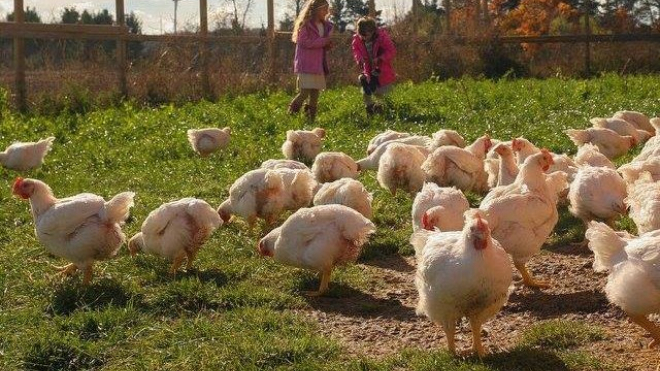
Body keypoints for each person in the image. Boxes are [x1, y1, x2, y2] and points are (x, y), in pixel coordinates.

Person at [287, 0, 334, 123]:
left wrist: (327, 45)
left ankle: (310, 119)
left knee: (315, 93)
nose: (326, 12)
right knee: (304, 92)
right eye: (324, 9)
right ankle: (291, 114)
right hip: (306, 64)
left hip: (318, 65)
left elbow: (320, 43)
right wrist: (323, 42)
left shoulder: (325, 26)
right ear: (316, 9)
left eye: (327, 9)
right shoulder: (306, 25)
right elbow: (304, 42)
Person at [351, 16, 396, 116]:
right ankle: (369, 108)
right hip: (368, 70)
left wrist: (380, 58)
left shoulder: (382, 38)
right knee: (366, 90)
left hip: (382, 70)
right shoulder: (357, 40)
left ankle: (381, 109)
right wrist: (360, 59)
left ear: (372, 31)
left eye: (366, 35)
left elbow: (391, 51)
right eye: (362, 35)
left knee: (382, 91)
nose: (364, 38)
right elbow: (356, 51)